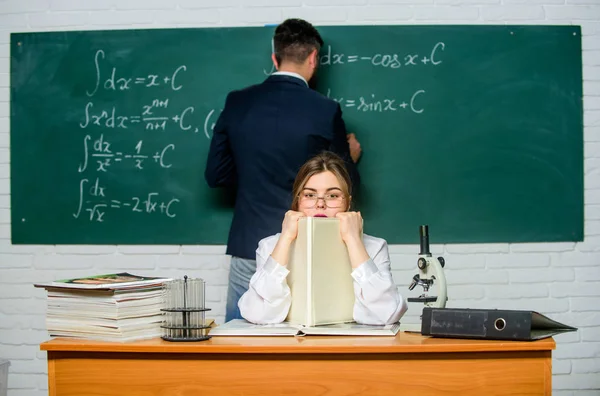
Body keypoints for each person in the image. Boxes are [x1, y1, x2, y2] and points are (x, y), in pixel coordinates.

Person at [205, 18, 362, 322]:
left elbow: (216, 175)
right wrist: (351, 158)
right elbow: (346, 183)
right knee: (311, 335)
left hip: (250, 242)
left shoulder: (237, 102)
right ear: (313, 58)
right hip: (311, 243)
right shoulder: (325, 109)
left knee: (240, 340)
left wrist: (254, 175)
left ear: (274, 58)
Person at [238, 152, 407, 325]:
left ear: (348, 203)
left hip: (350, 344)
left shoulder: (374, 247)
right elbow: (257, 314)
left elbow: (387, 314)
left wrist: (354, 240)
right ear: (297, 202)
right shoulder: (270, 246)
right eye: (310, 195)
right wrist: (286, 238)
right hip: (292, 345)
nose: (320, 204)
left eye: (332, 195)